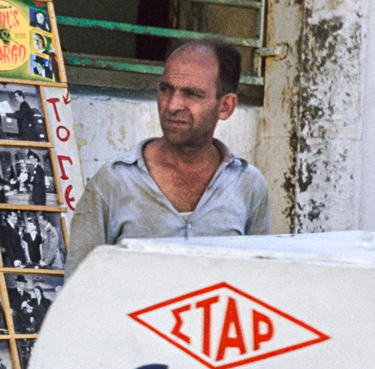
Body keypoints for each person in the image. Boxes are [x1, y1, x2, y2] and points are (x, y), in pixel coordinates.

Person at [66, 38, 270, 276]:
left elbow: (258, 279)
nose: (172, 105)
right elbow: (79, 284)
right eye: (166, 90)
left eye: (191, 94)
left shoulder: (248, 185)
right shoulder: (115, 182)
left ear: (225, 106)